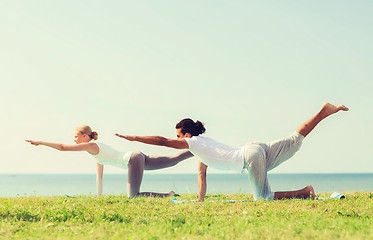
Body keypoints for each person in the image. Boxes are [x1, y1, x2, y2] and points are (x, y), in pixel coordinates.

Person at [115, 103, 349, 201]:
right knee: (295, 139)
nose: (176, 140)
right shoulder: (203, 144)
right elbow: (201, 175)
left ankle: (305, 192)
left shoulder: (193, 143)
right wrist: (200, 199)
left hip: (250, 157)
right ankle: (325, 111)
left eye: (178, 135)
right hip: (255, 148)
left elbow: (162, 142)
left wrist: (134, 137)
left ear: (186, 134)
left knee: (264, 198)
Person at [26, 125, 193, 198]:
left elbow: (63, 147)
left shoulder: (91, 145)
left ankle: (168, 195)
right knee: (172, 161)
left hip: (133, 160)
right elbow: (99, 176)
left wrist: (41, 142)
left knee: (133, 197)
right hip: (136, 157)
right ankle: (197, 150)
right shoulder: (95, 150)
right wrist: (99, 196)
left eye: (76, 136)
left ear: (85, 136)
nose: (74, 139)